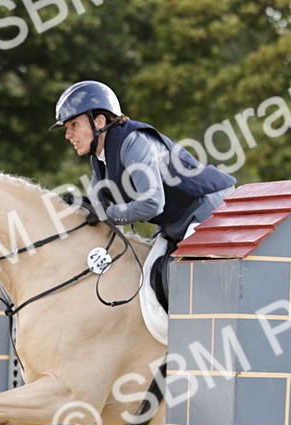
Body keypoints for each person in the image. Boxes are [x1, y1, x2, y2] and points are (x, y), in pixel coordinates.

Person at [50, 80, 235, 313]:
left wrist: (106, 214)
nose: (68, 134)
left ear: (99, 121)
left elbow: (151, 204)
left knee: (186, 283)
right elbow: (98, 205)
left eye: (73, 124)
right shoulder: (99, 158)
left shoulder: (133, 143)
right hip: (177, 222)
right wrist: (80, 208)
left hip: (208, 209)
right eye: (67, 127)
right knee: (149, 276)